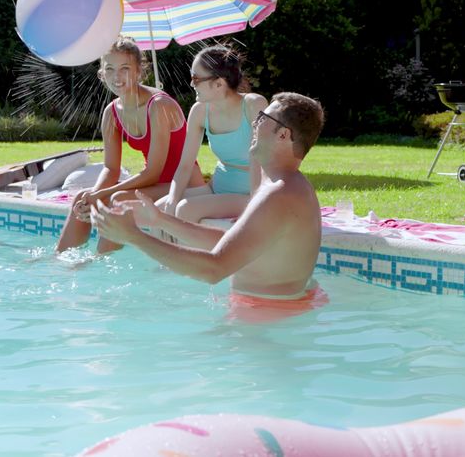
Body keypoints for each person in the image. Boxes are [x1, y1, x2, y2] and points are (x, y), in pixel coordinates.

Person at [93, 92, 326, 320]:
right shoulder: (284, 186)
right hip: (273, 312)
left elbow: (215, 269)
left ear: (283, 135)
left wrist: (135, 237)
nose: (254, 124)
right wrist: (160, 220)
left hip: (264, 321)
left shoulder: (279, 195)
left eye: (263, 118)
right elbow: (229, 244)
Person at [57, 35, 205, 253]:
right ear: (101, 74)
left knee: (118, 199)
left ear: (138, 71)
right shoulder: (111, 113)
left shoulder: (158, 106)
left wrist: (100, 195)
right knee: (82, 197)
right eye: (109, 69)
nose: (117, 76)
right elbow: (110, 168)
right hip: (154, 186)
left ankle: (100, 265)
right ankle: (62, 262)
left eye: (125, 68)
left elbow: (153, 172)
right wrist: (93, 195)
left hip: (184, 185)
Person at [157, 44, 268, 223]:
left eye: (196, 78)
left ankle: (189, 252)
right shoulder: (199, 111)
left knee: (185, 209)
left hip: (251, 193)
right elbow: (185, 165)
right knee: (158, 210)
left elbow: (266, 160)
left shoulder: (254, 105)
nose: (192, 83)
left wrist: (254, 206)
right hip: (217, 188)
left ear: (219, 83)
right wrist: (172, 198)